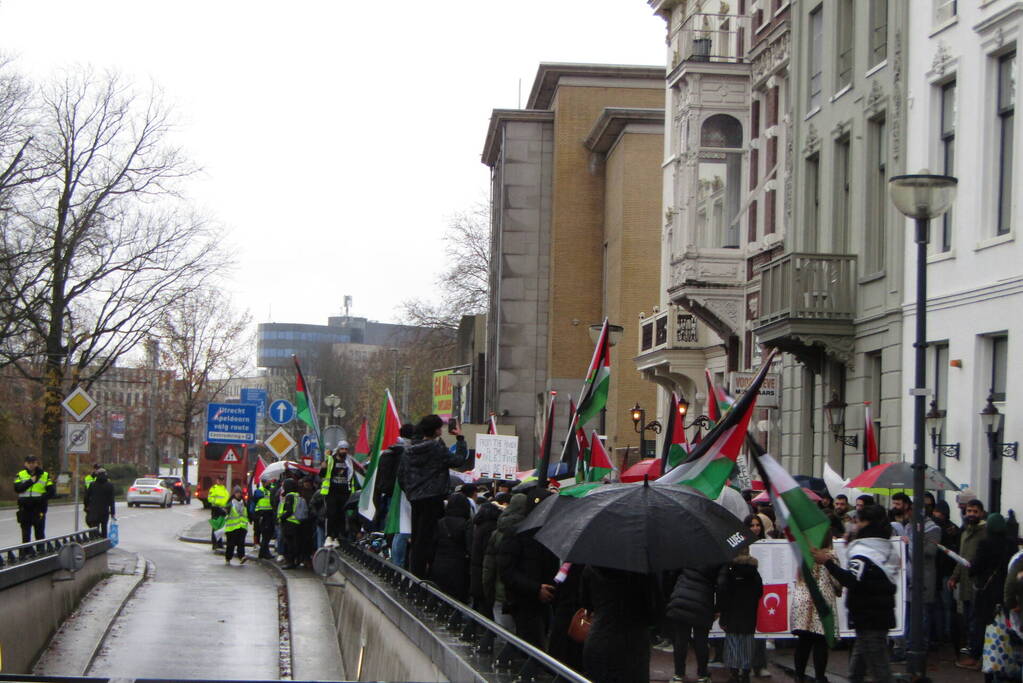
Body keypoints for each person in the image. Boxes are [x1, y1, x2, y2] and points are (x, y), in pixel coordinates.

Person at [812, 503, 897, 683]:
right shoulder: (885, 547)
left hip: (869, 618)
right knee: (857, 671)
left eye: (857, 521)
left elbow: (852, 580)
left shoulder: (864, 552)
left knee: (879, 670)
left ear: (867, 524)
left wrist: (827, 562)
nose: (854, 525)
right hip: (875, 616)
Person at [398, 414, 469, 578]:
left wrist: (410, 491)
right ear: (436, 430)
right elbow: (458, 460)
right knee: (431, 536)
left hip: (416, 498)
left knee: (417, 537)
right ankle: (426, 574)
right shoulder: (436, 449)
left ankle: (415, 572)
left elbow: (401, 475)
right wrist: (460, 438)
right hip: (434, 497)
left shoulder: (409, 450)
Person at [581, 565, 660, 683]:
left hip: (600, 638)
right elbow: (655, 611)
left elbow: (585, 602)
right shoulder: (643, 571)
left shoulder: (591, 568)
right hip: (634, 643)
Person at [968, 512, 1017, 671]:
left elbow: (976, 567)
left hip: (987, 590)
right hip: (1005, 588)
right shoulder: (1011, 544)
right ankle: (1004, 656)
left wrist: (971, 569)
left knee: (982, 622)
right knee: (1005, 623)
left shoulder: (985, 543)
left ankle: (980, 657)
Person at [792, 532, 840, 683]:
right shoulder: (830, 556)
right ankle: (820, 677)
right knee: (820, 641)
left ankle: (799, 676)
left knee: (803, 641)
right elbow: (837, 581)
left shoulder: (804, 553)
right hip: (822, 601)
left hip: (803, 600)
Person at [666, 563, 721, 683]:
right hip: (703, 601)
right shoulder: (717, 557)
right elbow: (722, 583)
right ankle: (702, 675)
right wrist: (718, 608)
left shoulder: (688, 552)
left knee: (680, 639)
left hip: (681, 598)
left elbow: (672, 574)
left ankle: (678, 674)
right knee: (701, 640)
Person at [950, 499, 988, 668]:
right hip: (964, 583)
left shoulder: (984, 532)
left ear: (981, 513)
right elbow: (961, 557)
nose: (971, 514)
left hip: (978, 584)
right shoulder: (965, 532)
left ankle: (976, 656)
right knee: (967, 620)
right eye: (969, 511)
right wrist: (954, 577)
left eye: (975, 511)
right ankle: (972, 651)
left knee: (975, 621)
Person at [717, 549, 763, 683]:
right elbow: (759, 593)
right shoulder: (755, 573)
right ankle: (746, 673)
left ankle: (734, 673)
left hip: (732, 614)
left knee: (733, 642)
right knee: (747, 642)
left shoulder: (731, 573)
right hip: (749, 614)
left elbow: (724, 594)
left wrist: (722, 613)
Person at [430, 492, 472, 602]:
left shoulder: (440, 522)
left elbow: (432, 545)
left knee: (439, 598)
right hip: (458, 567)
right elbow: (469, 547)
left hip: (439, 564)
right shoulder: (466, 524)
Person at [373, 424, 414, 531]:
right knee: (401, 529)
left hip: (386, 493)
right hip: (402, 496)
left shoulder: (386, 453)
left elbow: (379, 476)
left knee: (387, 526)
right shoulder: (410, 453)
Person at [13, 455, 54, 544]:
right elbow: (18, 489)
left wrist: (41, 499)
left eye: (33, 463)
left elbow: (51, 492)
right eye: (29, 463)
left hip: (39, 509)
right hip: (25, 509)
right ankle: (25, 554)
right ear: (25, 464)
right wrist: (31, 481)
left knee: (40, 535)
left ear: (36, 463)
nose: (31, 465)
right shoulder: (20, 474)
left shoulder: (45, 475)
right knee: (26, 535)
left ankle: (41, 553)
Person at [319, 441, 352, 547]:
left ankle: (337, 537)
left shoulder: (349, 462)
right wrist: (323, 467)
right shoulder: (330, 460)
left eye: (346, 449)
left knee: (341, 515)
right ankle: (329, 536)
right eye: (342, 449)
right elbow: (322, 474)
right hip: (332, 492)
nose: (344, 451)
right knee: (331, 513)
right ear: (338, 450)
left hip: (344, 492)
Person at [277, 478, 304, 569]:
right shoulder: (297, 495)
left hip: (289, 524)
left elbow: (289, 511)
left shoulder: (289, 496)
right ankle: (295, 561)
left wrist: (281, 517)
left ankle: (290, 562)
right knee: (294, 543)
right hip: (296, 523)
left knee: (289, 544)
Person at [84, 468, 116, 538]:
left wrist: (86, 507)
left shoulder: (92, 485)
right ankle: (103, 541)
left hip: (94, 510)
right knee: (104, 527)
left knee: (93, 528)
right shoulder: (110, 485)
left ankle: (93, 541)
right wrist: (113, 513)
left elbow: (86, 497)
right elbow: (112, 500)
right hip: (104, 511)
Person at [224, 486, 249, 565]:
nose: (238, 494)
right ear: (234, 493)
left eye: (239, 493)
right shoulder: (230, 503)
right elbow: (225, 512)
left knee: (241, 543)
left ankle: (242, 557)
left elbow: (246, 513)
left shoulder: (243, 502)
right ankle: (228, 558)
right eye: (237, 492)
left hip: (242, 527)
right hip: (232, 528)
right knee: (231, 544)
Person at [251, 479, 276, 559]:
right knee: (265, 534)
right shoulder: (259, 491)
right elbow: (254, 502)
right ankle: (264, 553)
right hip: (262, 514)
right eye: (266, 482)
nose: (268, 483)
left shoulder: (271, 489)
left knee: (268, 534)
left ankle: (263, 553)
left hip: (269, 514)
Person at [207, 476, 229, 549]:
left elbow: (227, 499)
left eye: (222, 480)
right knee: (215, 527)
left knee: (221, 527)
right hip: (216, 509)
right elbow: (210, 498)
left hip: (223, 510)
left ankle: (219, 543)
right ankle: (215, 544)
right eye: (219, 480)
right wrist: (216, 503)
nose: (221, 481)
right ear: (217, 480)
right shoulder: (214, 488)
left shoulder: (224, 489)